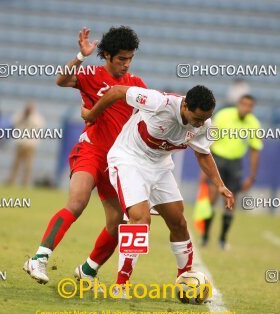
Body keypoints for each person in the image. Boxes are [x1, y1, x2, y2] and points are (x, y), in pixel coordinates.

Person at [24, 26, 146, 285]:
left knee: (119, 223)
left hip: (117, 162)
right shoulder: (91, 74)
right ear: (108, 56)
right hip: (90, 150)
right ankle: (39, 258)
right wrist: (80, 57)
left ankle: (88, 269)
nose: (126, 64)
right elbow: (61, 80)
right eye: (121, 59)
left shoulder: (135, 85)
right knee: (77, 203)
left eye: (130, 59)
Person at [81, 84, 234, 291]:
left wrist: (220, 185)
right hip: (129, 159)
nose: (200, 124)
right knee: (141, 218)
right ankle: (121, 285)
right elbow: (117, 91)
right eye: (197, 118)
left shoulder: (204, 123)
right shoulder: (158, 102)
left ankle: (186, 281)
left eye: (204, 119)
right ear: (186, 105)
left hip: (160, 167)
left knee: (178, 222)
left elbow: (203, 153)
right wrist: (91, 114)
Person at [201, 95, 263, 249]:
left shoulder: (254, 124)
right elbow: (210, 141)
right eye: (244, 104)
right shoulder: (224, 115)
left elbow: (255, 150)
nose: (246, 108)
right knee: (212, 198)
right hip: (218, 160)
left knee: (230, 201)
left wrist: (252, 176)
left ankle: (222, 239)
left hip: (235, 164)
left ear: (252, 108)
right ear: (238, 104)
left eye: (249, 106)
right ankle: (205, 236)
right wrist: (205, 168)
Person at [7, 101, 45, 186]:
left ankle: (25, 182)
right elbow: (13, 121)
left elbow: (38, 125)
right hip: (20, 143)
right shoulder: (20, 114)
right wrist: (24, 116)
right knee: (16, 164)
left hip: (30, 144)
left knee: (28, 165)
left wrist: (29, 116)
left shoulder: (36, 117)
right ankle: (11, 180)